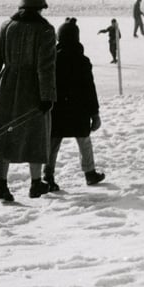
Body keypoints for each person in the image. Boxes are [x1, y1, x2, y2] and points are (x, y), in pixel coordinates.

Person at [0, 0, 56, 201]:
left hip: (5, 87)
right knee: (36, 135)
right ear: (41, 8)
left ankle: (1, 186)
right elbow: (46, 67)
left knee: (2, 136)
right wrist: (47, 96)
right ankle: (35, 184)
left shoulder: (7, 27)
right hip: (33, 90)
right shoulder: (46, 31)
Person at [43, 18, 105, 191]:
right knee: (84, 142)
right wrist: (95, 113)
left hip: (57, 110)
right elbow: (90, 90)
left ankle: (47, 175)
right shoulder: (83, 61)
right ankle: (90, 173)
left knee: (53, 144)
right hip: (80, 111)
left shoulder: (52, 60)